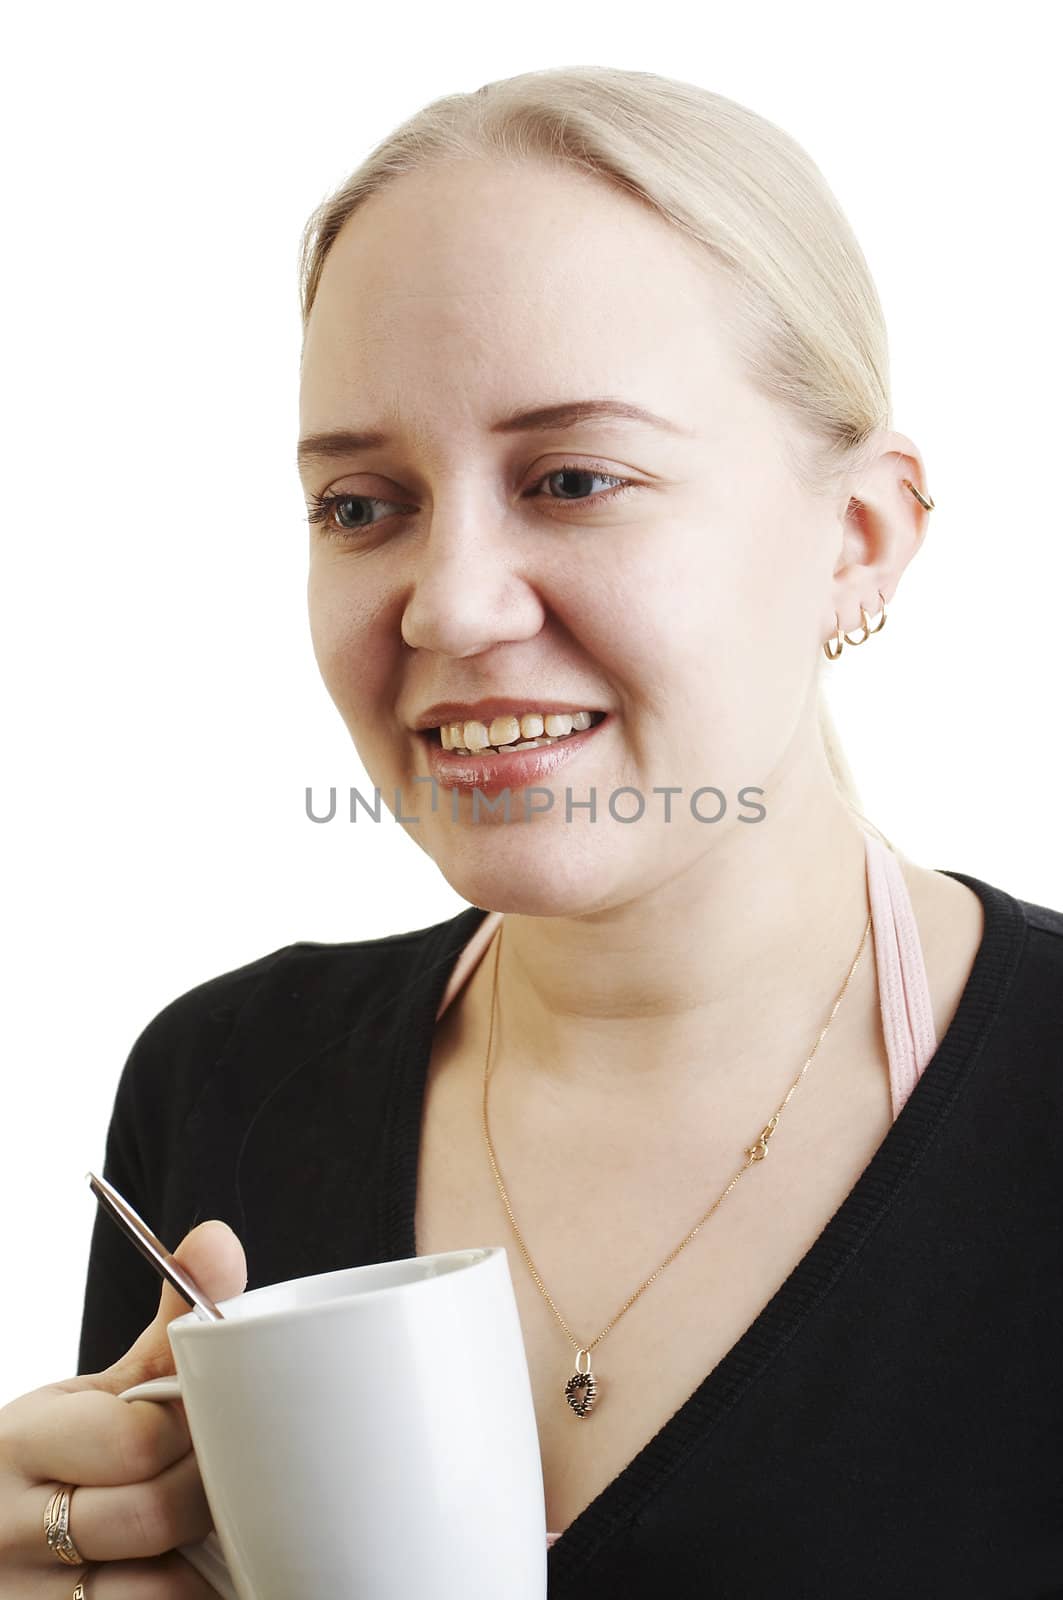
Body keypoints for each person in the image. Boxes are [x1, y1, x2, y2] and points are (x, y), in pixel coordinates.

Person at [3, 64, 1061, 1599]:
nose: (450, 601)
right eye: (364, 505)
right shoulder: (219, 1083)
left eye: (573, 479)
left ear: (860, 540)